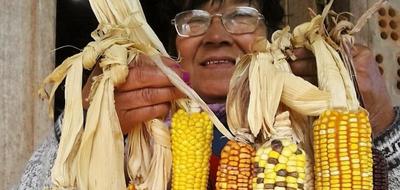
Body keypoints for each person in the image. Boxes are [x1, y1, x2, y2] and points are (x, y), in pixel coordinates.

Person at [17, 0, 400, 189]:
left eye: (242, 15)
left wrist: (382, 129)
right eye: (194, 22)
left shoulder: (313, 126)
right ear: (172, 47)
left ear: (273, 37)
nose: (217, 36)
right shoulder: (139, 137)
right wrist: (80, 130)